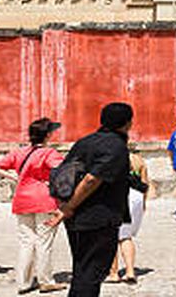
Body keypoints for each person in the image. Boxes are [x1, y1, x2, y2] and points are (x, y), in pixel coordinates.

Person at [48, 102, 133, 297]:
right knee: (92, 272)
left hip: (78, 218)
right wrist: (67, 207)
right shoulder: (116, 146)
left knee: (82, 270)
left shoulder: (84, 142)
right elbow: (91, 179)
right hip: (98, 217)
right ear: (127, 123)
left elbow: (64, 174)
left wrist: (65, 206)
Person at [0, 118, 65, 294]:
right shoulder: (49, 153)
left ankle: (24, 282)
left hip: (22, 198)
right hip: (43, 199)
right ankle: (46, 280)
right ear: (48, 135)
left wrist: (15, 178)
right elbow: (62, 171)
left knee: (26, 242)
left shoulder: (19, 152)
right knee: (44, 242)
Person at [109, 148, 149, 285]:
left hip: (120, 195)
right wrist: (144, 203)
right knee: (126, 236)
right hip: (136, 196)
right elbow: (145, 184)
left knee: (112, 235)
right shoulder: (139, 161)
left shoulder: (114, 159)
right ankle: (130, 271)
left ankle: (113, 273)